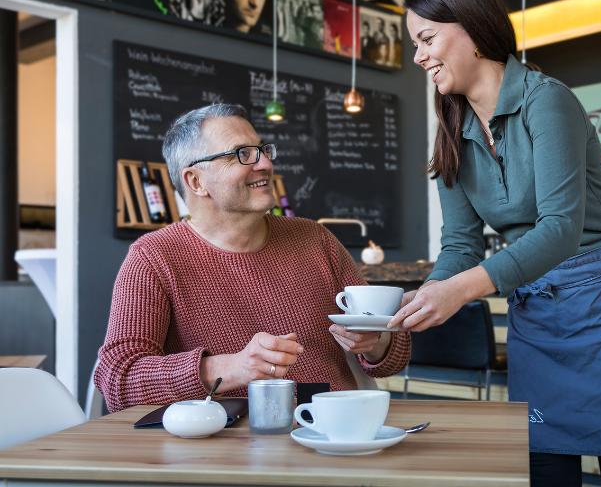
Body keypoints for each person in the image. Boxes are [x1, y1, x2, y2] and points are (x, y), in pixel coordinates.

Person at [389, 0, 601, 487]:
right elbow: (460, 244)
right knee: (544, 461)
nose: (419, 57)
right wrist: (428, 296)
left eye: (427, 39)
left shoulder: (547, 100)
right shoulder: (452, 132)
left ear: (474, 29)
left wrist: (461, 289)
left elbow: (561, 227)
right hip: (540, 314)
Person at [94, 104, 410, 412]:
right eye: (242, 155)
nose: (264, 165)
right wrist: (231, 367)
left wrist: (376, 342)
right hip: (226, 447)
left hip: (336, 433)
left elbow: (392, 356)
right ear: (196, 181)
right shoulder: (153, 258)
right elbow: (118, 381)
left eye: (262, 150)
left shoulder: (316, 239)